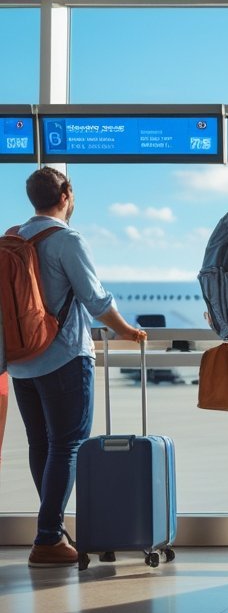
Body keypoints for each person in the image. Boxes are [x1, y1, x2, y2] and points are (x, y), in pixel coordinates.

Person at [8, 166, 147, 568]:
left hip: (21, 363)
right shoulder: (66, 240)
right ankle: (48, 536)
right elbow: (96, 299)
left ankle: (51, 530)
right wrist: (127, 331)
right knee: (67, 445)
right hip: (64, 357)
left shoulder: (13, 237)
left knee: (41, 445)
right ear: (66, 195)